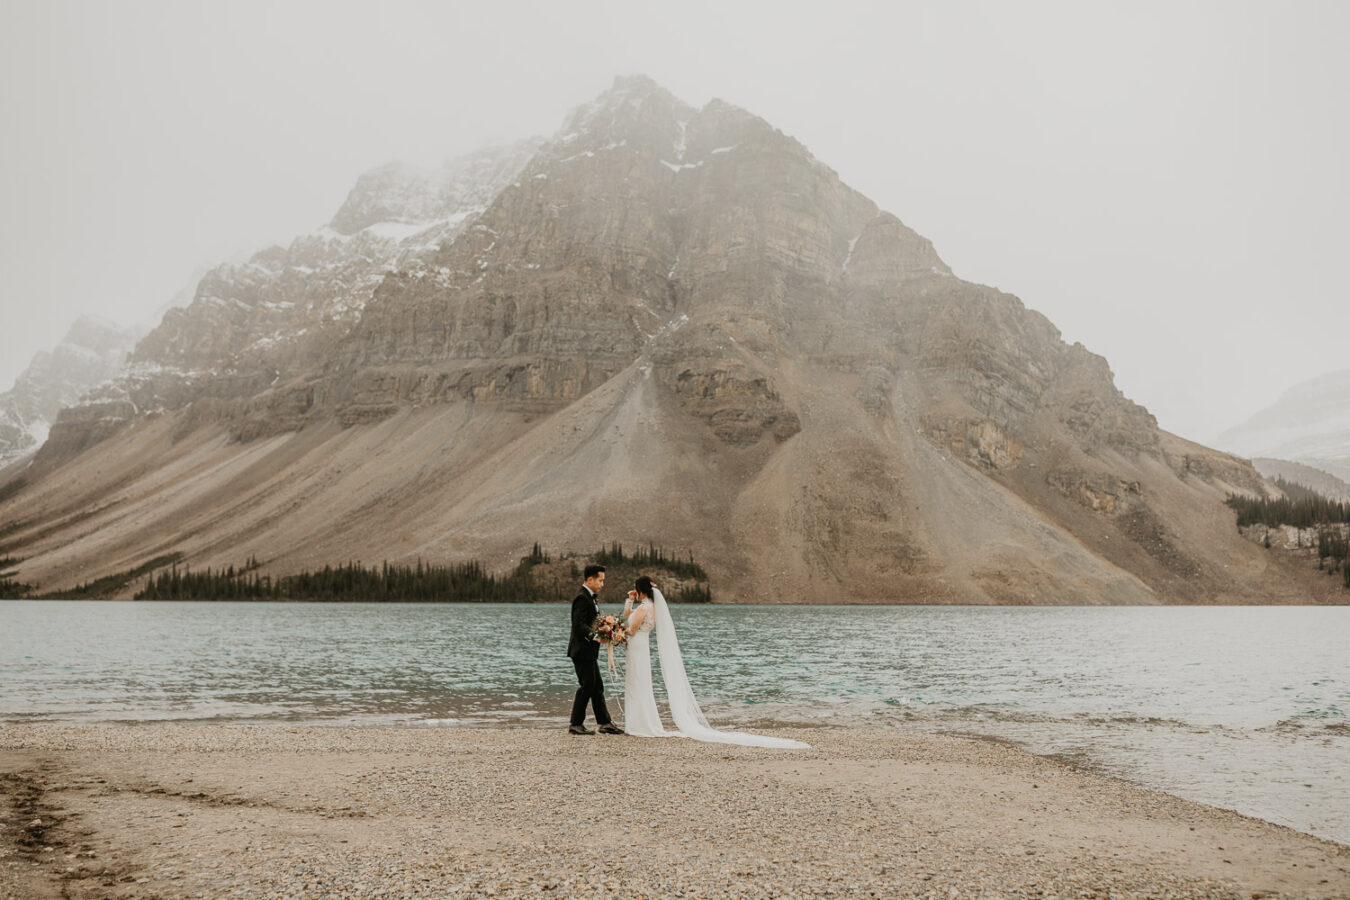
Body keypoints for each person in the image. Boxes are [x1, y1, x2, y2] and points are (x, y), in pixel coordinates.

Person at [622, 575, 808, 749]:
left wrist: (616, 632)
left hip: (637, 646)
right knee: (640, 684)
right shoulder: (649, 607)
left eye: (635, 590)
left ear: (640, 589)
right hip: (640, 647)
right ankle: (642, 721)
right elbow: (628, 615)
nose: (634, 591)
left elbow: (631, 629)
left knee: (637, 683)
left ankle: (640, 724)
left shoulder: (644, 608)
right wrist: (629, 600)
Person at [566, 564, 623, 735]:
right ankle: (575, 724)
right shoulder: (582, 598)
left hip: (588, 651)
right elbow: (578, 625)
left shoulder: (590, 598)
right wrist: (597, 634)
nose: (602, 584)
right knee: (587, 685)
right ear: (590, 579)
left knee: (596, 686)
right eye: (600, 580)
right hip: (581, 651)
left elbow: (589, 621)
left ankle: (605, 723)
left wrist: (605, 625)